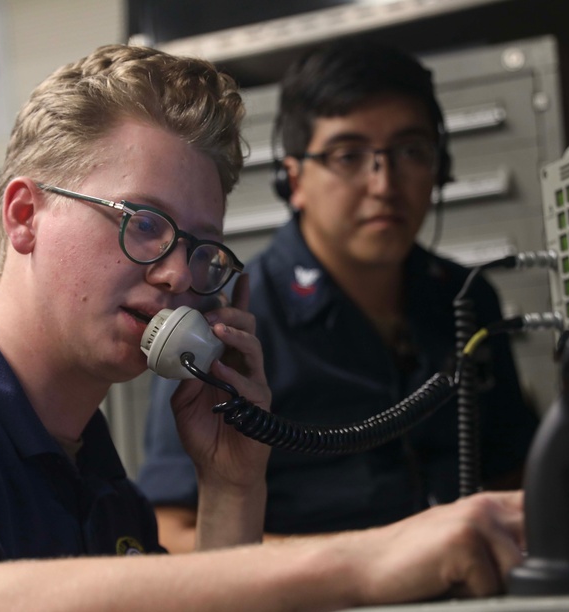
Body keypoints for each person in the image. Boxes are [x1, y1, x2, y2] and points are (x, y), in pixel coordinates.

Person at [0, 44, 569, 612]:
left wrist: (233, 488)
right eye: (142, 222)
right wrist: (363, 560)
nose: (177, 274)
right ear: (23, 214)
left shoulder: (101, 479)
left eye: (202, 248)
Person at [139, 38, 542, 560]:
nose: (385, 183)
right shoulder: (231, 324)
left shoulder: (467, 300)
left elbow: (515, 474)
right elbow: (170, 529)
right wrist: (369, 561)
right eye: (349, 155)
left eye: (411, 151)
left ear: (439, 168)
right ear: (294, 180)